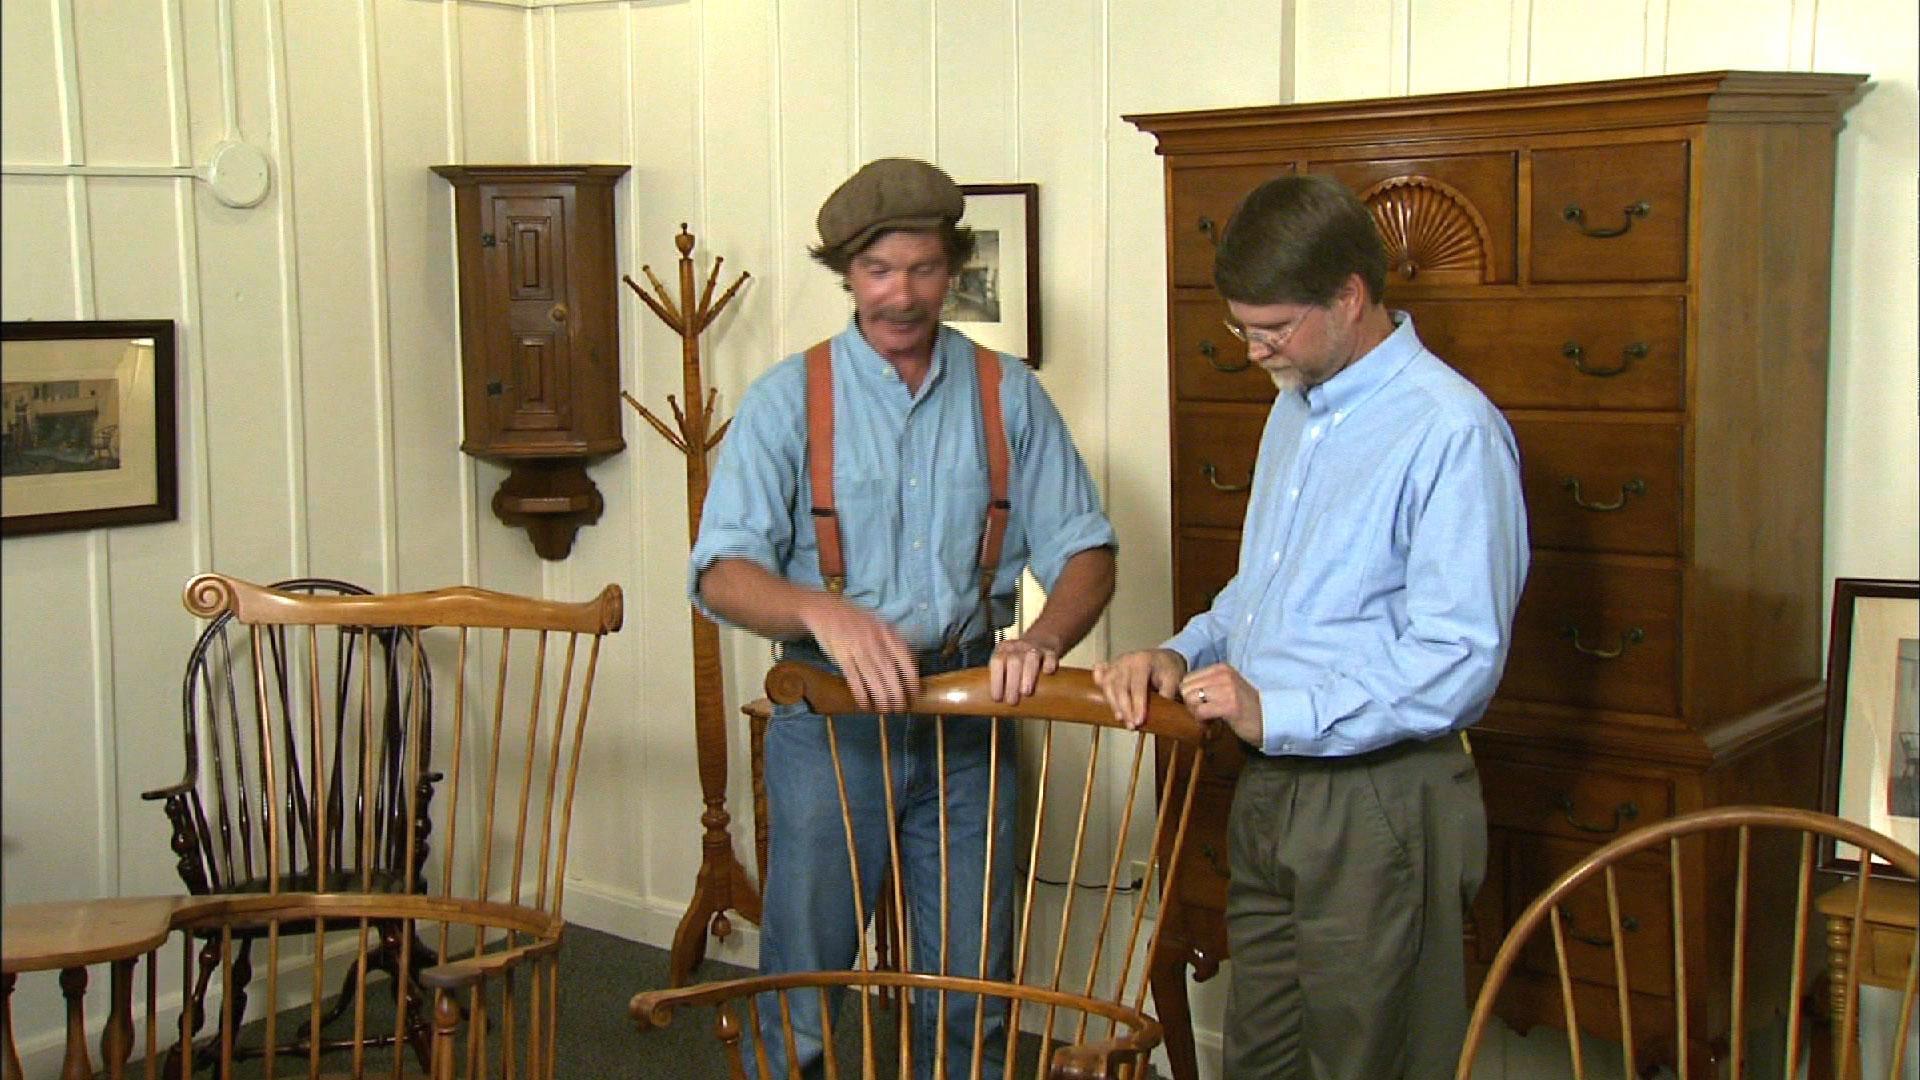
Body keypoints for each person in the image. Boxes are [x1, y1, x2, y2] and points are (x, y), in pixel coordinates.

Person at [690, 157, 1117, 1079]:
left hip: (971, 722)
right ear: (846, 273)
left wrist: (1042, 641)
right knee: (802, 984)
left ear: (952, 269)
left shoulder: (1009, 396)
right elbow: (720, 573)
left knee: (975, 988)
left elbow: (1088, 550)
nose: (902, 294)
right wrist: (819, 609)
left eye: (923, 269)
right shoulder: (786, 400)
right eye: (880, 271)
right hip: (829, 723)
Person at [1094, 174, 1528, 1079]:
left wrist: (1279, 709)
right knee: (1262, 1058)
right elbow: (1267, 593)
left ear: (1350, 297)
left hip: (1381, 798)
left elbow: (1460, 661)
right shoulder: (1300, 405)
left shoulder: (1452, 431)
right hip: (1272, 782)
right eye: (1241, 329)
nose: (1253, 351)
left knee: (1370, 1061)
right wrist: (1182, 651)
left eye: (1273, 328)